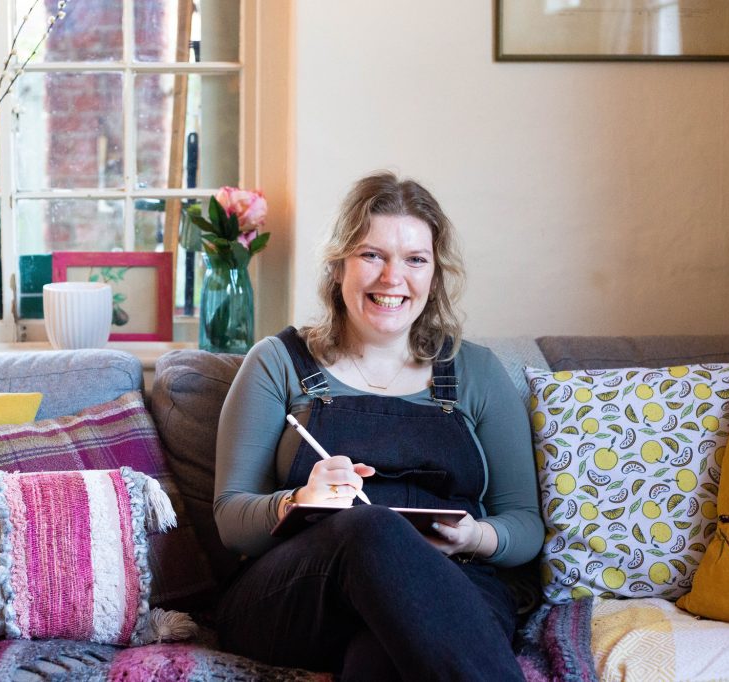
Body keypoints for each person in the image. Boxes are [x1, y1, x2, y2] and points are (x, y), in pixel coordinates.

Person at [213, 171, 543, 681]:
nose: (393, 278)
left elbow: (523, 524)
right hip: (299, 595)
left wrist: (475, 538)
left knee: (380, 660)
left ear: (434, 273)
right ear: (339, 264)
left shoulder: (477, 372)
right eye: (372, 255)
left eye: (415, 260)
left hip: (453, 581)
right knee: (373, 524)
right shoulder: (277, 363)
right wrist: (300, 501)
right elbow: (232, 519)